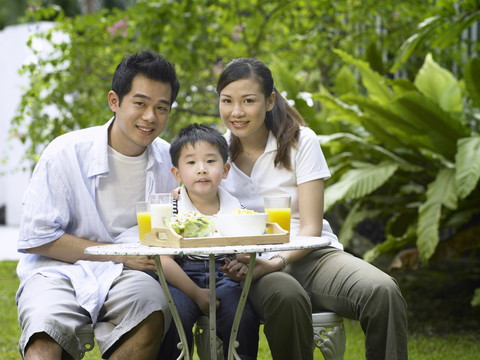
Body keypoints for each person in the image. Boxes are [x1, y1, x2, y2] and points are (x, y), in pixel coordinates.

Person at [216, 58, 408, 360]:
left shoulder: (300, 141)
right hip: (252, 264)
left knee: (382, 291)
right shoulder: (215, 150)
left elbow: (310, 228)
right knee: (287, 296)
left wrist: (277, 260)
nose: (236, 112)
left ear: (269, 101)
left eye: (248, 101)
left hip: (312, 255)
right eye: (227, 101)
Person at [16, 50, 180, 360]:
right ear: (115, 101)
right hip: (57, 271)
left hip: (126, 276)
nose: (150, 117)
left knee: (152, 309)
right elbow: (38, 237)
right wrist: (120, 255)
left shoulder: (169, 161)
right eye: (140, 104)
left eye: (162, 108)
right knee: (44, 332)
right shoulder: (65, 152)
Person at [159, 123, 259, 359]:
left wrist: (243, 262)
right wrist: (195, 293)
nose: (201, 169)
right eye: (191, 162)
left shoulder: (237, 209)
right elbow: (163, 260)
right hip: (182, 278)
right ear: (177, 173)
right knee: (174, 316)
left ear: (225, 170)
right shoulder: (169, 209)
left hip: (226, 276)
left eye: (210, 162)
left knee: (242, 316)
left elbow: (250, 249)